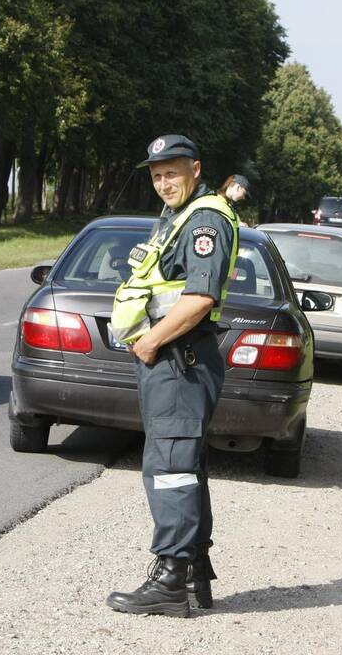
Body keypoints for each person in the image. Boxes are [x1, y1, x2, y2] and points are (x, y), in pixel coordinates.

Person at [106, 134, 238, 618]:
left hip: (179, 357)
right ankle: (193, 570)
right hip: (173, 358)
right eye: (157, 175)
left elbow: (199, 299)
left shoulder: (204, 221)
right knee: (184, 464)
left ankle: (169, 578)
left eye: (172, 172)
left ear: (195, 169)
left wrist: (150, 341)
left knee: (169, 468)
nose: (164, 182)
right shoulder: (181, 216)